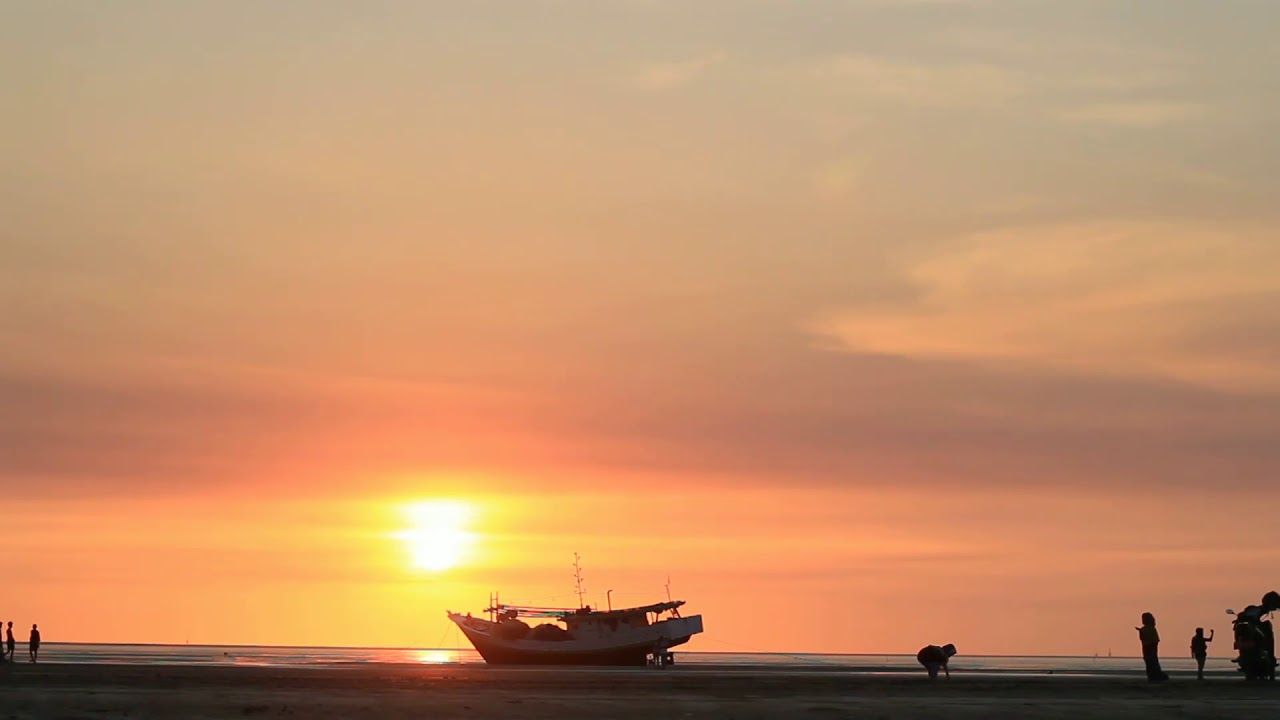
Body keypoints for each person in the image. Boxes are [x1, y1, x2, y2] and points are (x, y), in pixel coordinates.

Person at [1136, 612, 1167, 682]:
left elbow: (1147, 639)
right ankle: (1154, 677)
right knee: (1151, 661)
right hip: (1148, 646)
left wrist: (1141, 632)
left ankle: (1154, 677)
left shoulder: (1149, 628)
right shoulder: (1149, 628)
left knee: (1151, 661)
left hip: (1149, 646)